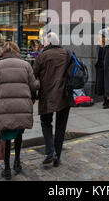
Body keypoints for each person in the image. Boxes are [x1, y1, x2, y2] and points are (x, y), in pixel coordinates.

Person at [0, 42, 39, 180]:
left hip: (4, 108)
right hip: (22, 107)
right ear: (17, 51)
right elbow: (34, 85)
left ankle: (7, 169)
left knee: (5, 138)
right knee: (18, 134)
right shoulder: (26, 65)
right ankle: (17, 162)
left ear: (3, 52)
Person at [33, 32, 73, 167]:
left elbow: (33, 75)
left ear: (49, 43)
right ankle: (57, 157)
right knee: (61, 127)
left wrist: (33, 95)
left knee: (45, 123)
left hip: (47, 95)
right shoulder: (67, 53)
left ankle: (50, 152)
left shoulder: (42, 56)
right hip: (65, 96)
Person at [95, 28, 109, 109]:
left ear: (104, 36)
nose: (98, 36)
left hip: (108, 67)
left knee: (107, 85)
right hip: (100, 67)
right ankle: (104, 100)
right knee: (102, 84)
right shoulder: (98, 44)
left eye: (99, 35)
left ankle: (108, 102)